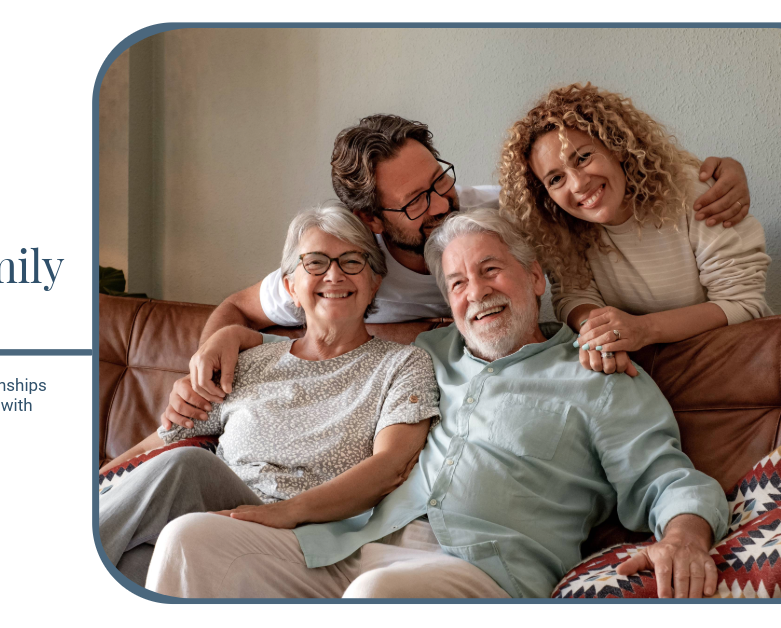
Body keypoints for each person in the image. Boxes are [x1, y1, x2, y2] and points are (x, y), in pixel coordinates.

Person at [146, 208, 728, 599]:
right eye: (456, 283)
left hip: (484, 567)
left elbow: (668, 478)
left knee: (375, 597)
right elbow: (308, 322)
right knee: (189, 540)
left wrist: (684, 537)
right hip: (351, 544)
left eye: (491, 270)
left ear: (535, 277)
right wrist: (227, 335)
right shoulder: (425, 352)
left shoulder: (599, 371)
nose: (476, 293)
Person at [164, 114, 751, 428]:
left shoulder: (498, 209)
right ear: (370, 219)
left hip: (544, 379)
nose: (443, 204)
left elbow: (602, 191)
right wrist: (214, 345)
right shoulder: (345, 265)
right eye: (416, 202)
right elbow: (239, 306)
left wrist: (719, 171)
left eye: (439, 179)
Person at [98, 203, 440, 586]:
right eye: (315, 263)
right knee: (131, 565)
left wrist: (291, 511)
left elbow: (391, 465)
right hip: (216, 518)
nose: (334, 274)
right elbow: (162, 441)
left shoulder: (403, 364)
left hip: (303, 532)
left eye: (352, 261)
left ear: (374, 281)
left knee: (187, 465)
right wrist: (99, 481)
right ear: (292, 286)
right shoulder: (249, 359)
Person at [499, 83, 771, 377]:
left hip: (738, 371)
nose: (577, 184)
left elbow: (743, 304)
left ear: (616, 145)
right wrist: (601, 333)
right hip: (649, 376)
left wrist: (642, 329)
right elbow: (573, 297)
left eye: (582, 157)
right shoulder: (560, 229)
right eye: (555, 179)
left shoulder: (692, 195)